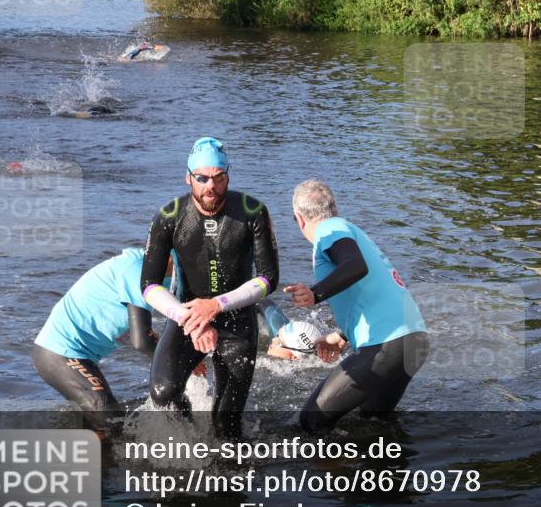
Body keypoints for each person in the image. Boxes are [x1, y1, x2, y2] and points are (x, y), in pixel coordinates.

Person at [141, 137, 279, 439]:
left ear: (228, 176)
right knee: (163, 393)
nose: (210, 187)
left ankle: (228, 474)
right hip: (186, 318)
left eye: (218, 178)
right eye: (202, 179)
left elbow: (269, 278)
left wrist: (216, 305)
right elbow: (149, 286)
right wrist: (190, 319)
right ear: (188, 177)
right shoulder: (169, 216)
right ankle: (191, 443)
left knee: (225, 423)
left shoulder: (252, 211)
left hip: (236, 319)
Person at [284, 180, 430, 433]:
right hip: (413, 340)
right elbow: (374, 288)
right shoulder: (349, 230)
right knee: (372, 424)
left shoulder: (329, 230)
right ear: (334, 206)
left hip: (388, 346)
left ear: (299, 219)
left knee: (312, 421)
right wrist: (341, 335)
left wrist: (314, 294)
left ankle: (333, 473)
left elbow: (355, 267)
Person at [32, 247, 198, 431]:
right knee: (112, 425)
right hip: (60, 353)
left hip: (83, 356)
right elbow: (141, 340)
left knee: (109, 421)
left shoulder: (171, 277)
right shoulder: (137, 270)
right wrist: (184, 365)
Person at [258, 298, 346, 362]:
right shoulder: (281, 342)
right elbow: (264, 303)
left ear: (294, 357)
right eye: (278, 335)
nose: (274, 340)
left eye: (280, 343)